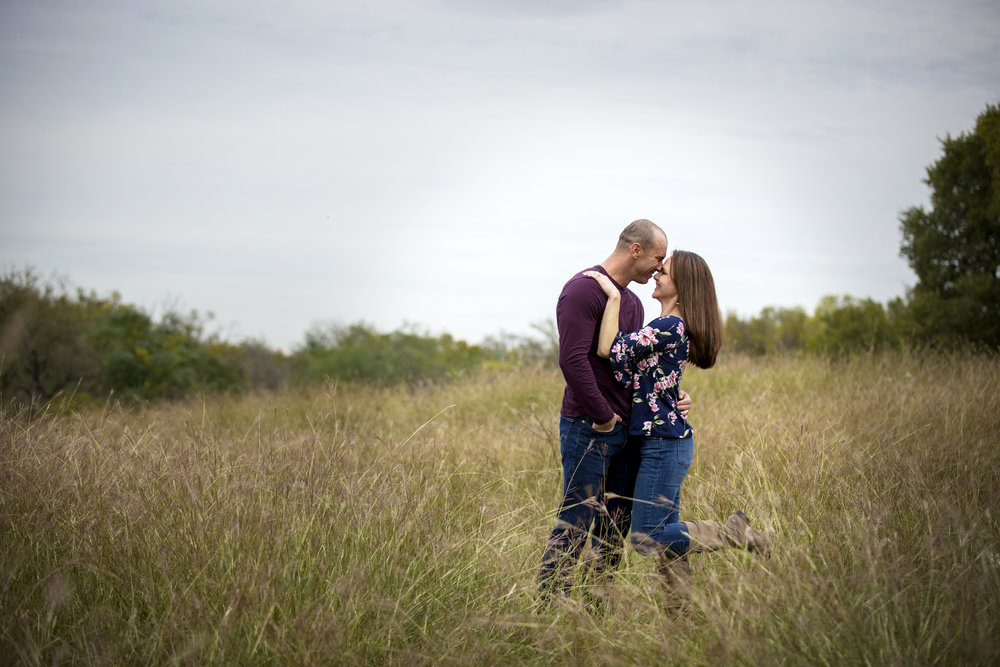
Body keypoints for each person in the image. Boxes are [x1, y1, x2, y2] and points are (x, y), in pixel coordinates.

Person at [584, 250, 771, 600]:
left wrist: (612, 296)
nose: (656, 274)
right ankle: (680, 618)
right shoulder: (668, 327)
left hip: (664, 445)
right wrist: (679, 396)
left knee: (646, 537)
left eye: (664, 272)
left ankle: (733, 533)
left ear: (682, 288)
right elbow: (635, 376)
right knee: (669, 541)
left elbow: (610, 349)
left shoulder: (670, 325)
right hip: (664, 440)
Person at [537, 219, 691, 601]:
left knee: (614, 528)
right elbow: (573, 362)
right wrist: (604, 416)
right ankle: (547, 611)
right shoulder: (582, 290)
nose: (658, 268)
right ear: (636, 250)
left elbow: (633, 368)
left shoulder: (634, 303)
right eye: (657, 258)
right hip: (589, 427)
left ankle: (595, 613)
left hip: (629, 435)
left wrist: (676, 395)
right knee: (575, 521)